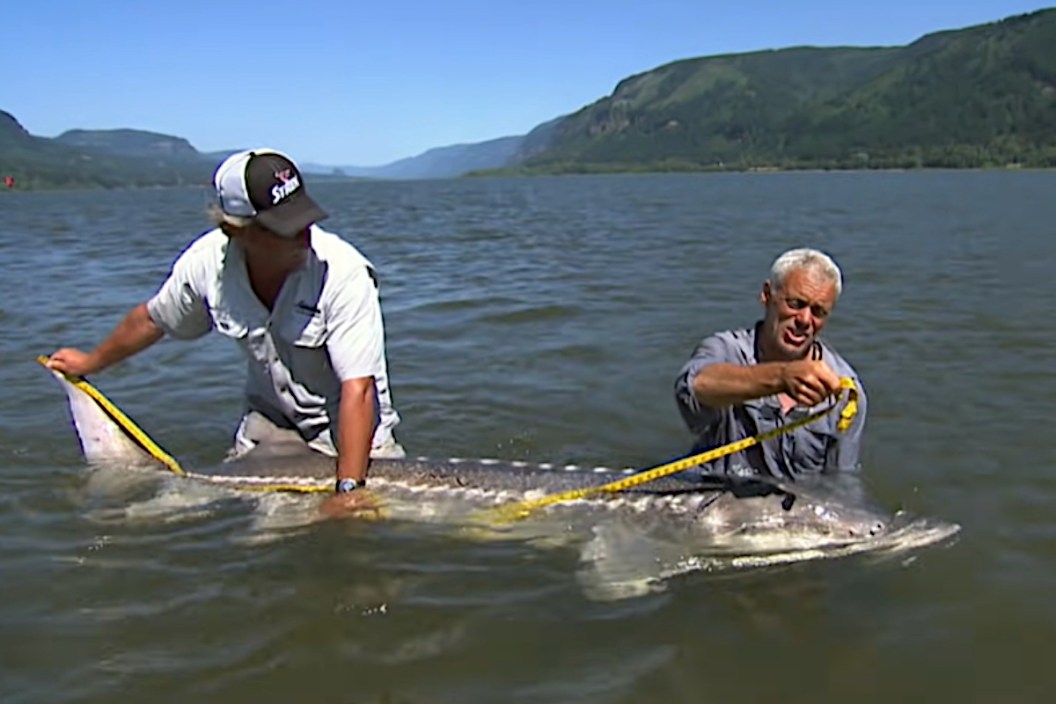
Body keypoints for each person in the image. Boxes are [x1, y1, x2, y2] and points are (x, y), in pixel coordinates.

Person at [46, 148, 404, 513]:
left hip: (352, 433)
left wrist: (348, 492)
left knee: (362, 536)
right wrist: (89, 363)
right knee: (230, 532)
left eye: (304, 220)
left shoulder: (343, 272)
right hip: (271, 429)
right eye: (284, 228)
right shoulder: (207, 264)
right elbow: (153, 319)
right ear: (236, 230)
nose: (302, 236)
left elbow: (358, 391)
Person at [673, 247, 866, 481]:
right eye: (795, 304)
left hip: (787, 514)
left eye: (818, 312)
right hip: (712, 503)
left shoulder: (844, 392)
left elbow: (841, 483)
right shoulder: (726, 350)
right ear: (767, 295)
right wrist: (781, 378)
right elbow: (696, 386)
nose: (805, 320)